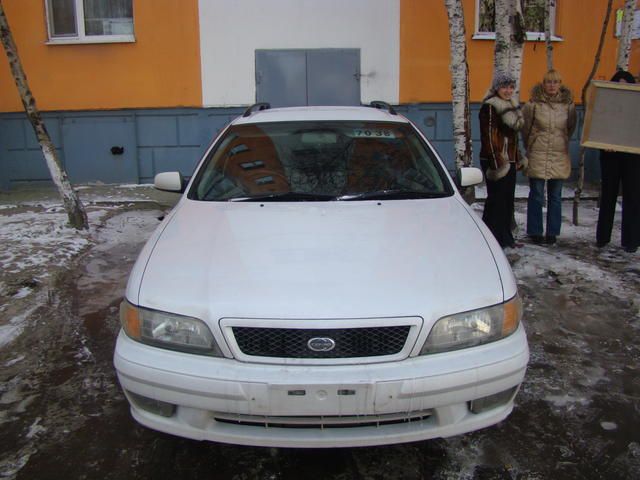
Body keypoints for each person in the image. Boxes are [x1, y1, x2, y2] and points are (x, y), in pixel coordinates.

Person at [522, 69, 576, 245]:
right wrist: (532, 144)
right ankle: (535, 231)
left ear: (560, 84)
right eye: (548, 82)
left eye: (555, 82)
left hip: (559, 155)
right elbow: (526, 128)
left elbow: (570, 128)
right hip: (538, 152)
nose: (552, 86)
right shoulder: (533, 105)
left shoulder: (568, 105)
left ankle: (552, 232)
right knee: (536, 194)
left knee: (555, 196)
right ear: (543, 84)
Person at [479, 72, 526, 248]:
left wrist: (518, 156)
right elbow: (489, 136)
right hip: (496, 161)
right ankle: (495, 238)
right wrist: (496, 161)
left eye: (511, 87)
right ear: (497, 87)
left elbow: (513, 137)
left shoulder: (512, 106)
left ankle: (503, 236)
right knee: (496, 200)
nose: (508, 90)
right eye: (504, 87)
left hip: (510, 159)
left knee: (506, 200)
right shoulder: (490, 107)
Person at [596, 71, 640, 253]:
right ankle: (602, 238)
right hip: (610, 156)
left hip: (633, 157)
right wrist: (603, 145)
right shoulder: (606, 105)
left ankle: (631, 240)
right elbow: (596, 128)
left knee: (633, 198)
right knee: (608, 196)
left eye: (625, 84)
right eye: (618, 83)